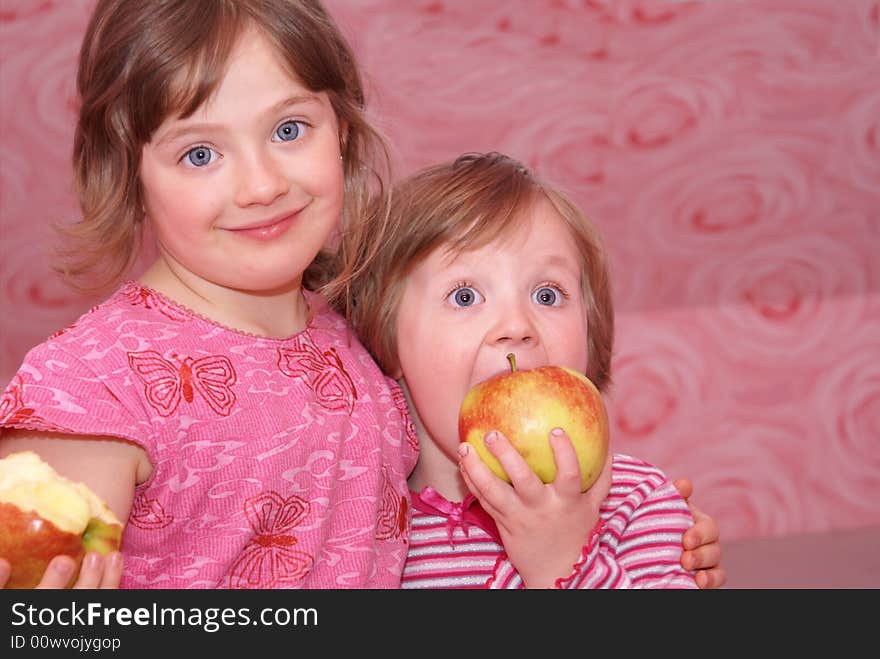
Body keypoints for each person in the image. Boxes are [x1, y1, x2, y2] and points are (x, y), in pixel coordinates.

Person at [0, 0, 417, 589]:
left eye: (289, 129)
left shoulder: (370, 331)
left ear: (342, 131)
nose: (262, 184)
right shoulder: (92, 392)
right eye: (201, 154)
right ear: (130, 177)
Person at [326, 152, 722, 588]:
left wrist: (563, 562)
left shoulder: (635, 504)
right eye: (464, 296)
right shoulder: (358, 530)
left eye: (547, 295)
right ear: (387, 336)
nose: (517, 326)